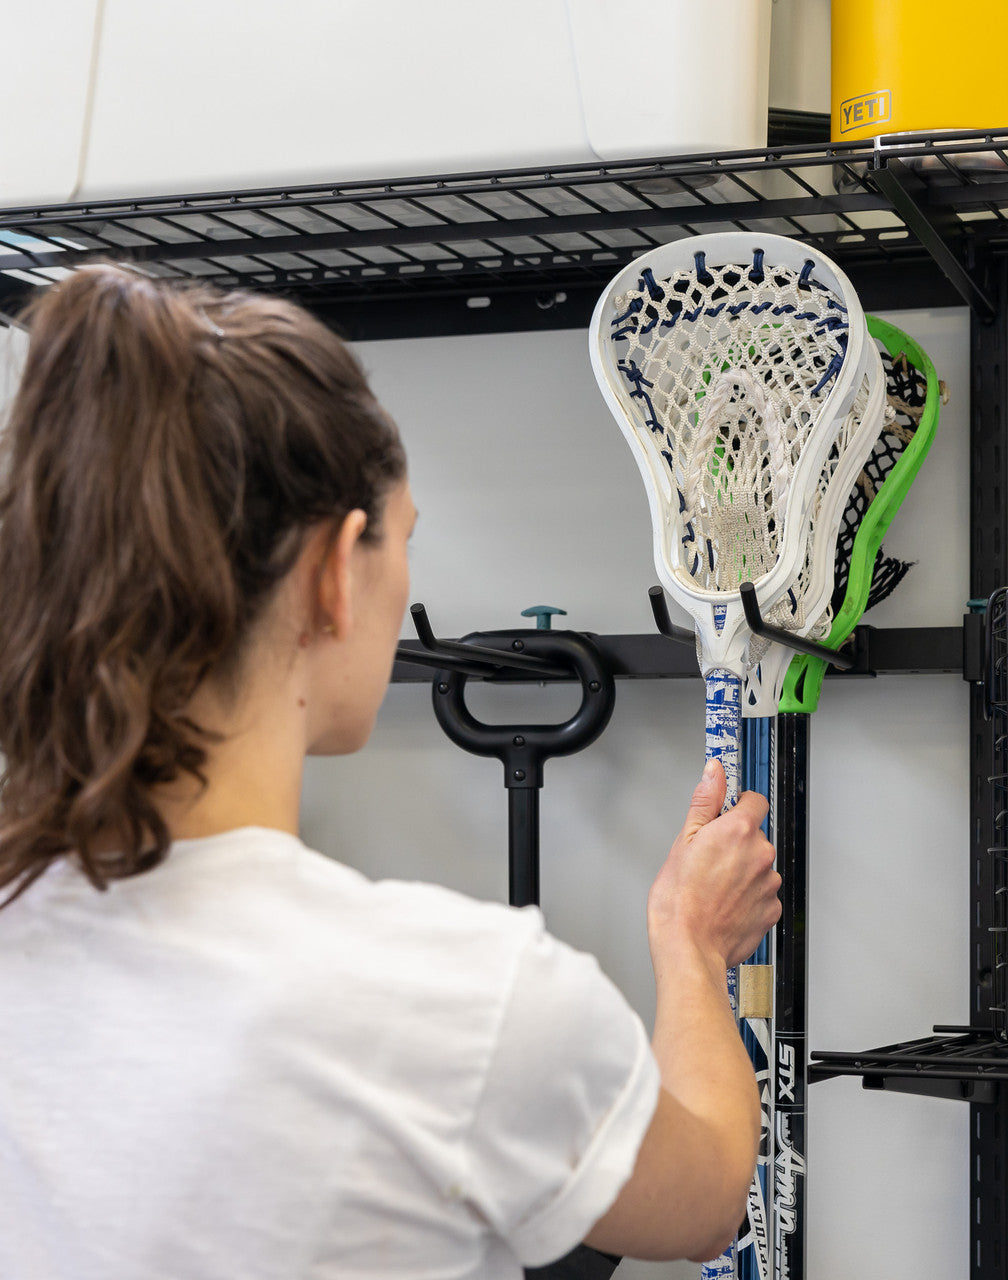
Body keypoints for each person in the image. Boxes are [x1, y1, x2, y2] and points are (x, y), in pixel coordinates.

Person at [0, 264, 781, 1279]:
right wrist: (692, 944)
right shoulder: (465, 996)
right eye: (401, 539)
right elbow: (707, 1195)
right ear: (334, 569)